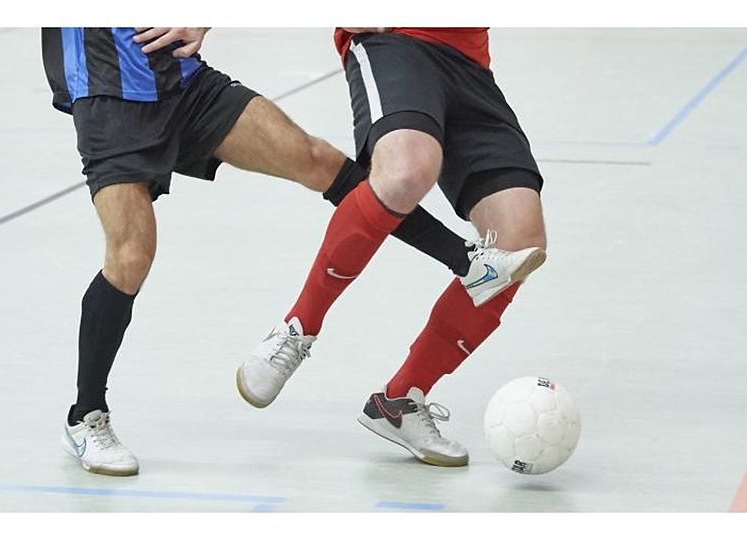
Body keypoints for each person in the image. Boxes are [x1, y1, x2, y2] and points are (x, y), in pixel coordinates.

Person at [41, 27, 482, 476]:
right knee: (131, 256)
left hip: (179, 77)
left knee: (316, 159)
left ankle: (470, 262)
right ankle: (85, 417)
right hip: (105, 93)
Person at [237, 28, 547, 467]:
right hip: (397, 39)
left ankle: (399, 402)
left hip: (469, 64)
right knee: (404, 172)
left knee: (521, 242)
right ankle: (296, 327)